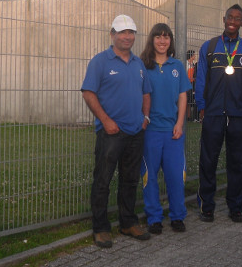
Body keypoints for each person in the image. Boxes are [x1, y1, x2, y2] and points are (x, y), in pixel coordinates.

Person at [81, 14, 152, 248]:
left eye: (131, 32)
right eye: (122, 32)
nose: (127, 37)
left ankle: (127, 222)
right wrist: (106, 120)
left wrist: (145, 118)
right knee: (102, 180)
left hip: (135, 131)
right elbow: (88, 93)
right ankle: (101, 228)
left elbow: (146, 93)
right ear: (112, 34)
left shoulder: (138, 63)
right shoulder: (100, 61)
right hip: (110, 133)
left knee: (130, 180)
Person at [195, 4, 242, 223]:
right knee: (208, 161)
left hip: (240, 115)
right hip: (213, 113)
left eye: (237, 18)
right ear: (224, 19)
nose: (233, 20)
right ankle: (207, 206)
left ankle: (235, 207)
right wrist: (202, 105)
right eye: (230, 17)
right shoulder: (210, 47)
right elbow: (201, 78)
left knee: (238, 162)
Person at [139, 23, 192, 234]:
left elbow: (182, 97)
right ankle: (154, 218)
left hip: (173, 132)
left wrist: (179, 124)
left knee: (176, 176)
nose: (162, 41)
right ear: (152, 40)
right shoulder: (143, 66)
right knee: (149, 176)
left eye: (166, 37)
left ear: (171, 40)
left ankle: (178, 216)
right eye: (158, 37)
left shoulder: (177, 66)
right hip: (150, 132)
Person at [186, 50, 198, 121]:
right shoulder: (186, 64)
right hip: (187, 83)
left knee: (190, 101)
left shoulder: (193, 64)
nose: (195, 56)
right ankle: (186, 116)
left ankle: (189, 116)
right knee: (186, 100)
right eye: (194, 55)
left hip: (192, 83)